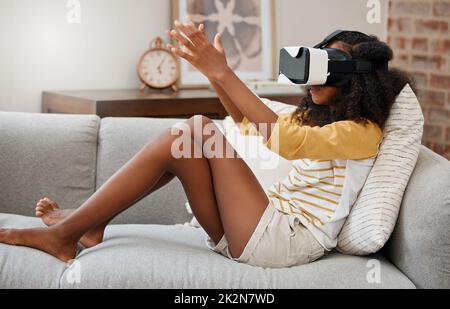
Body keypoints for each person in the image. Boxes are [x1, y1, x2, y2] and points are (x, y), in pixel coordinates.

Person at [0, 17, 411, 268]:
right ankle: (91, 224)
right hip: (258, 228)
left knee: (197, 127)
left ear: (358, 81)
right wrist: (218, 74)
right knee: (188, 138)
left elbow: (283, 141)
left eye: (330, 69)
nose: (315, 80)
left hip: (287, 240)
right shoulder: (318, 117)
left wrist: (224, 74)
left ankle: (66, 234)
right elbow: (245, 123)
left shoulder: (362, 132)